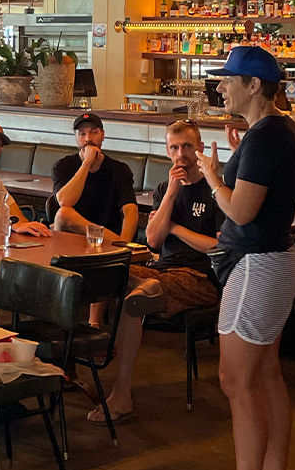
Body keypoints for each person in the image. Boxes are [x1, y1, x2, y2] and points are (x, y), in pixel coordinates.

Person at [186, 46, 295, 470]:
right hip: (274, 261)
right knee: (267, 376)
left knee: (237, 382)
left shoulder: (267, 136)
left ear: (254, 85)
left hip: (258, 265)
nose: (220, 86)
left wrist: (213, 175)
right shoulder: (273, 131)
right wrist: (238, 154)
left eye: (228, 79)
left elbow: (240, 213)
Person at [87, 120, 224, 425]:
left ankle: (121, 391)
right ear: (166, 151)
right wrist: (172, 194)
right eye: (174, 148)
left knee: (136, 287)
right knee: (113, 270)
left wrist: (176, 227)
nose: (181, 154)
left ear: (200, 148)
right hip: (161, 270)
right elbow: (153, 240)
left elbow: (217, 247)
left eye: (187, 146)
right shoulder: (165, 189)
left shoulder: (216, 188)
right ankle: (111, 377)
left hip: (201, 278)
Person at [52, 112, 139, 243]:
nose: (88, 138)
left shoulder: (120, 170)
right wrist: (86, 163)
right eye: (82, 134)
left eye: (94, 132)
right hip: (72, 238)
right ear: (76, 138)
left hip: (108, 236)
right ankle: (118, 242)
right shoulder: (62, 166)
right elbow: (64, 202)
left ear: (102, 135)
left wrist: (125, 243)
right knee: (62, 215)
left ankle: (120, 243)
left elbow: (130, 210)